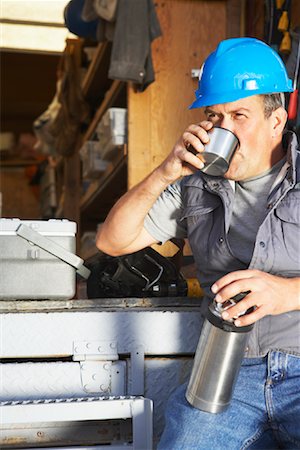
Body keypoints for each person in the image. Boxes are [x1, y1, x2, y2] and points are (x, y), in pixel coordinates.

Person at [96, 37, 300, 449]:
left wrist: (286, 293)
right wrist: (165, 172)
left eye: (239, 115)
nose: (223, 129)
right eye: (214, 116)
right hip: (226, 371)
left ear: (276, 121)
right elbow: (111, 241)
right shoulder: (195, 187)